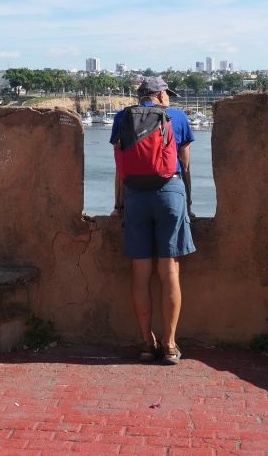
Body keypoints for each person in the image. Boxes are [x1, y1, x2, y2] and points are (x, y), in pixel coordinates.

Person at [110, 76, 195, 365]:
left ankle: (147, 343)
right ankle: (170, 345)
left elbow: (120, 166)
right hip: (169, 193)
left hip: (135, 196)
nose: (169, 98)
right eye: (167, 94)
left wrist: (118, 204)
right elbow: (184, 165)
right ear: (159, 95)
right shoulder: (178, 118)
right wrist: (189, 204)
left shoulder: (122, 117)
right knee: (169, 270)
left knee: (140, 272)